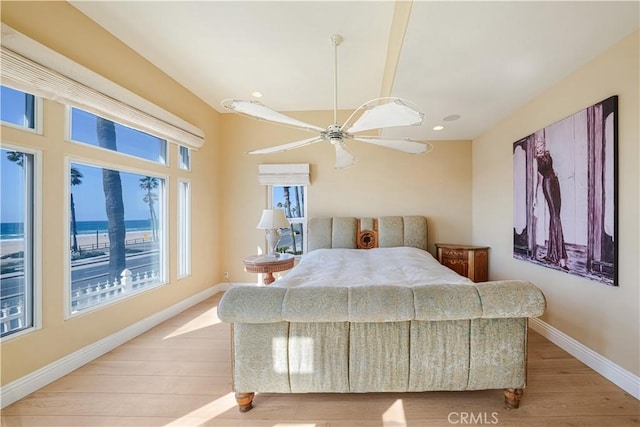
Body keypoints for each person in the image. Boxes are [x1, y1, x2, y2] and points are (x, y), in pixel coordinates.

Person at [534, 132, 568, 270]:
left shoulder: (548, 154)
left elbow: (552, 168)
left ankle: (552, 253)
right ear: (535, 147)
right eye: (538, 145)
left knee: (556, 216)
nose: (540, 147)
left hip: (555, 182)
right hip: (547, 184)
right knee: (555, 216)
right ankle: (561, 257)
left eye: (542, 144)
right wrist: (534, 197)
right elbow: (537, 179)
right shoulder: (535, 160)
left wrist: (557, 174)